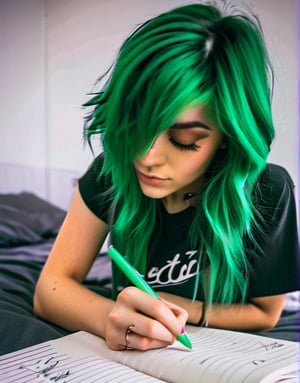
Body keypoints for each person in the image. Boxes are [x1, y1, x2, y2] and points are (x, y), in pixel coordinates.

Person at [34, 2, 299, 352]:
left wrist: (183, 307)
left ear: (227, 138)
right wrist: (112, 317)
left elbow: (266, 314)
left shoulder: (267, 190)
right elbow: (49, 288)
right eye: (135, 125)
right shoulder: (112, 171)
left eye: (184, 140)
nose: (145, 157)